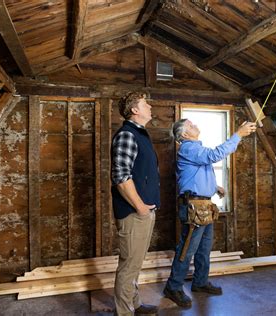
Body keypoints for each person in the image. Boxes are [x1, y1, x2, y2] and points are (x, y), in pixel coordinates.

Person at [163, 118, 256, 308]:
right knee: (187, 249)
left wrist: (214, 187)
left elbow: (196, 175)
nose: (195, 124)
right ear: (184, 135)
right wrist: (238, 134)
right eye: (190, 125)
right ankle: (173, 287)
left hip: (203, 206)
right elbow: (214, 155)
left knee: (204, 249)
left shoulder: (195, 149)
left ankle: (200, 282)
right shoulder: (189, 147)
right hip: (194, 208)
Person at [111, 92, 160, 316]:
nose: (150, 106)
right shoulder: (127, 135)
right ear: (135, 110)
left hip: (144, 210)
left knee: (136, 263)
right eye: (145, 104)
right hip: (134, 212)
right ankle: (124, 312)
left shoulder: (140, 134)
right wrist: (140, 206)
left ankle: (135, 305)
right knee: (129, 265)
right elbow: (121, 176)